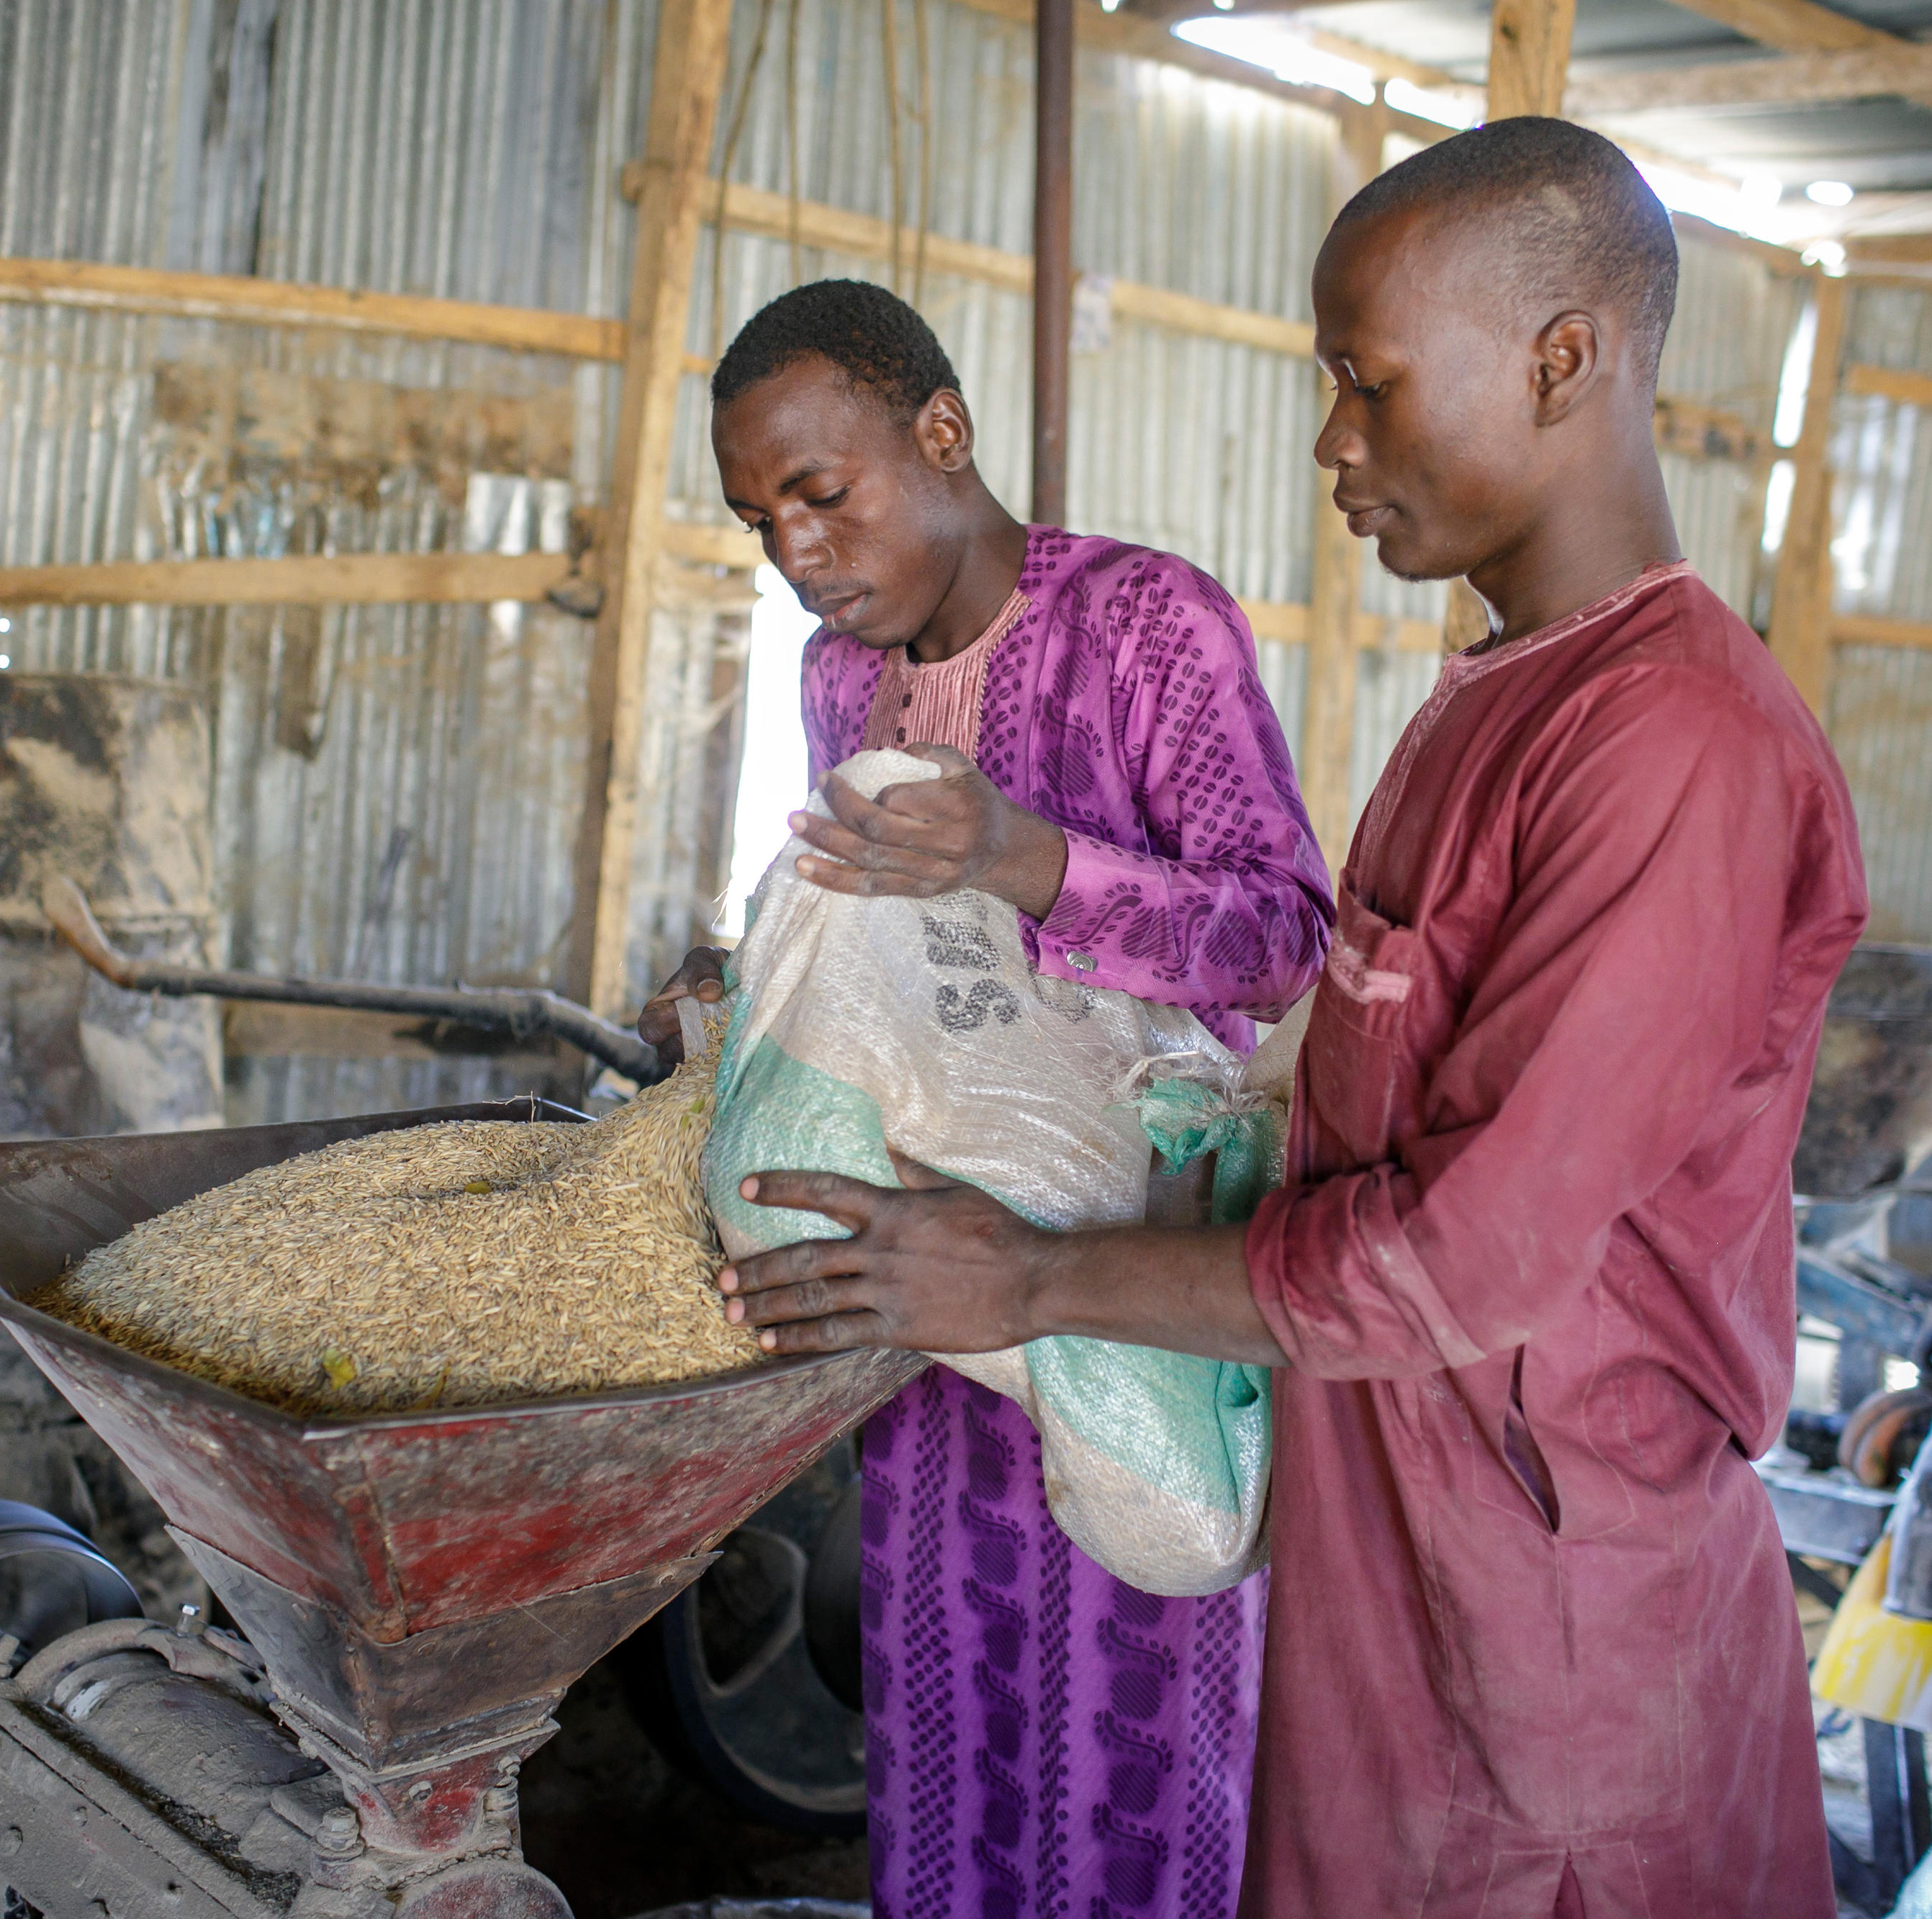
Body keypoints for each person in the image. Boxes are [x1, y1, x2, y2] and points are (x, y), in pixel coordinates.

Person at [710, 122, 1869, 1919]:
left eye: (1369, 380)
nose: (1333, 436)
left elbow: (1460, 1253)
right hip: (1369, 1534)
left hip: (1543, 1622)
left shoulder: (1672, 746)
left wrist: (1024, 1276)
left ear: (1560, 359)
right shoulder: (1484, 704)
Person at [636, 278, 1335, 1919]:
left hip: (1132, 1282)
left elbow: (1283, 939)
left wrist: (1020, 857)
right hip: (929, 1293)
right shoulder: (834, 682)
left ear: (939, 433)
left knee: (1137, 1736)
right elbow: (875, 965)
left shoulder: (1150, 625)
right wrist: (745, 997)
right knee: (947, 1719)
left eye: (823, 494)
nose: (796, 552)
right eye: (757, 519)